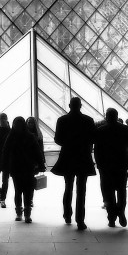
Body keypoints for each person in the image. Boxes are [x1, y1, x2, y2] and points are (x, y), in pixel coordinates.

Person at [51, 96, 96, 230]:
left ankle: (67, 214)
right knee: (81, 190)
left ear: (69, 106)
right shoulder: (88, 120)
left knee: (68, 187)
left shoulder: (62, 120)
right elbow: (92, 138)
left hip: (68, 157)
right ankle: (80, 220)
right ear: (80, 106)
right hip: (83, 158)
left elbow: (58, 140)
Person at [94, 108, 128, 227]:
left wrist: (99, 163)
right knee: (121, 190)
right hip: (121, 164)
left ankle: (111, 216)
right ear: (117, 116)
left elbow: (97, 150)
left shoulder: (100, 130)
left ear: (106, 117)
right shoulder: (125, 129)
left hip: (105, 165)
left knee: (107, 191)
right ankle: (121, 211)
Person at [1, 116, 46, 223]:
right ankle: (27, 214)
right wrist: (41, 164)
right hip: (28, 167)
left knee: (18, 190)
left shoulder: (11, 136)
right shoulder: (30, 136)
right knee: (28, 191)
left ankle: (19, 213)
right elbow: (37, 152)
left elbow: (5, 152)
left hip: (15, 168)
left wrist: (4, 167)